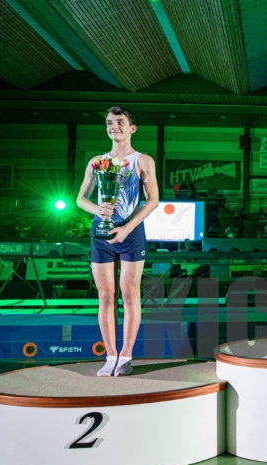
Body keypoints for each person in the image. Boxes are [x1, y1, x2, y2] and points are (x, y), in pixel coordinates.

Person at [77, 106, 160, 377]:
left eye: (120, 122)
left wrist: (127, 228)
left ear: (132, 128)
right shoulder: (97, 162)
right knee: (105, 295)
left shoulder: (142, 160)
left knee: (130, 293)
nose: (114, 126)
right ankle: (110, 356)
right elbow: (80, 199)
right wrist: (97, 209)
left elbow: (153, 200)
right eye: (109, 123)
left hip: (131, 232)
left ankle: (125, 357)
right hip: (101, 232)